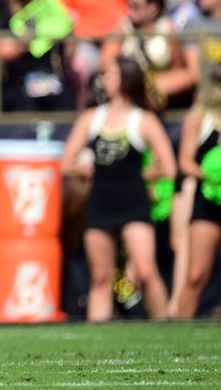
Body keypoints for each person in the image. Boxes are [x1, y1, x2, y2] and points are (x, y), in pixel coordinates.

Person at [61, 56, 175, 321]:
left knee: (146, 272)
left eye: (111, 75)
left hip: (133, 201)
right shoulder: (92, 118)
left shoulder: (143, 120)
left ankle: (168, 329)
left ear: (126, 79)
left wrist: (139, 174)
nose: (105, 80)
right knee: (101, 278)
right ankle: (95, 346)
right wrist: (87, 169)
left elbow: (167, 167)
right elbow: (66, 162)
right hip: (101, 200)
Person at [176, 66, 221, 318]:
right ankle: (181, 336)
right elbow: (185, 161)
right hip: (208, 202)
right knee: (195, 276)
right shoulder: (198, 118)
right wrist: (212, 176)